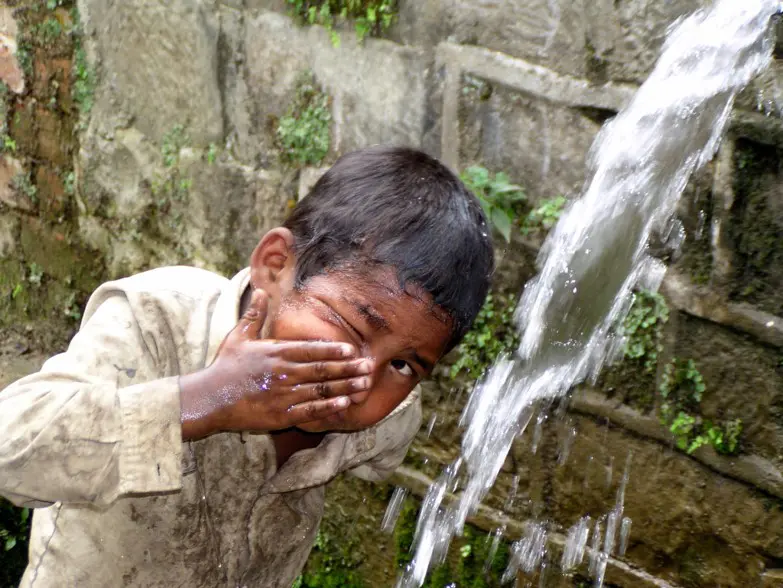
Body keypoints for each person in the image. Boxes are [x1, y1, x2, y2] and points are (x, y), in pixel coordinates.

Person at [0, 146, 494, 587]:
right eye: (350, 326)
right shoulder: (157, 322)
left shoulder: (387, 417)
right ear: (275, 265)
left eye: (404, 365)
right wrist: (202, 400)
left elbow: (388, 439)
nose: (363, 381)